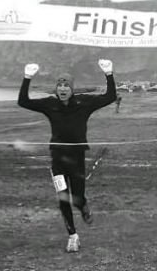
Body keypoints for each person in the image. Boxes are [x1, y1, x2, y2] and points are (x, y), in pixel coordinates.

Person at [18, 59, 116, 253]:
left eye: (66, 85)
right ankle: (72, 236)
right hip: (57, 159)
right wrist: (27, 78)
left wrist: (109, 74)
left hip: (77, 158)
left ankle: (84, 206)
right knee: (63, 198)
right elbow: (23, 101)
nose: (62, 88)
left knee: (77, 198)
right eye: (59, 85)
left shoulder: (84, 103)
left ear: (72, 89)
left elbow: (110, 96)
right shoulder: (49, 104)